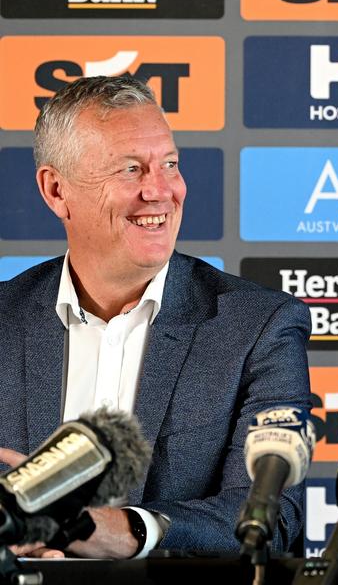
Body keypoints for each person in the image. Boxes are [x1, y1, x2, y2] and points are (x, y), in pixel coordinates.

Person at [0, 76, 311, 558]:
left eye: (169, 164)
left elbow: (270, 516)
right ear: (57, 190)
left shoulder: (257, 327)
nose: (161, 191)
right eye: (131, 169)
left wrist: (125, 530)